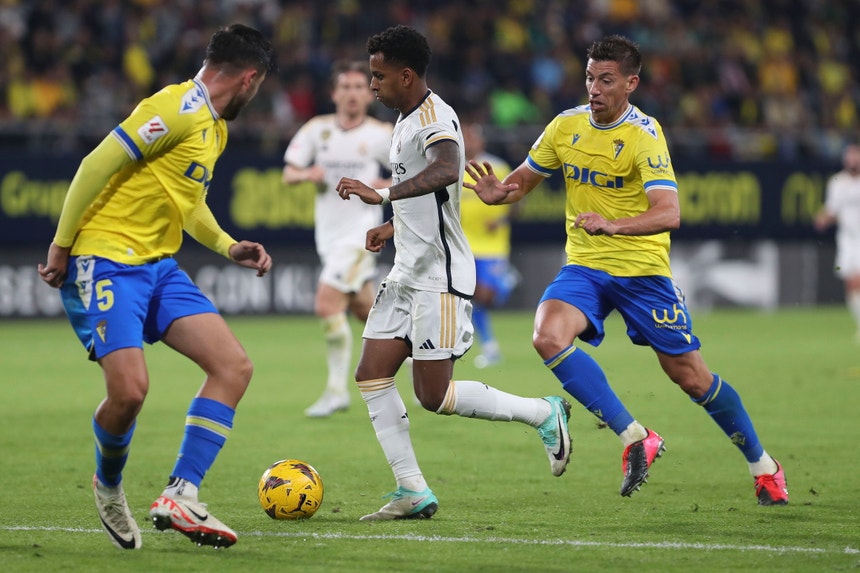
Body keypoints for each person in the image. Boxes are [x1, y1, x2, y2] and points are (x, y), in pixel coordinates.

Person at [465, 35, 789, 506]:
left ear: (631, 84)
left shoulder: (644, 134)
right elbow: (522, 181)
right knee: (547, 336)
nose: (594, 88)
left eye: (606, 80)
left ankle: (764, 466)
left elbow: (669, 212)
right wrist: (501, 193)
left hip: (643, 273)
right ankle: (635, 435)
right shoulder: (565, 126)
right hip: (586, 265)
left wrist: (613, 225)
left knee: (691, 377)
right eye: (589, 78)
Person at [37, 24, 276, 549]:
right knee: (129, 393)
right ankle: (108, 485)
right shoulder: (174, 108)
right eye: (258, 86)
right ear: (249, 79)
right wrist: (61, 244)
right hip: (105, 259)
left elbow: (188, 205)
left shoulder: (215, 129)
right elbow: (95, 164)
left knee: (233, 367)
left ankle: (181, 494)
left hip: (157, 266)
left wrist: (228, 246)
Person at [335, 24, 572, 521]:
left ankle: (543, 412)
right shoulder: (404, 119)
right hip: (406, 270)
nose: (372, 85)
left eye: (378, 76)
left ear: (406, 75)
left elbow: (446, 169)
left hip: (438, 278)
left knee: (434, 395)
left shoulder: (434, 116)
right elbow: (432, 196)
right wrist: (393, 226)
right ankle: (412, 490)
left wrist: (382, 194)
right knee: (372, 374)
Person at [282, 60, 393, 418]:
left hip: (360, 235)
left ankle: (336, 392)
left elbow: (414, 175)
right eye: (345, 87)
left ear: (370, 95)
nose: (352, 93)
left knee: (326, 304)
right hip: (328, 235)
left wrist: (384, 187)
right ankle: (412, 353)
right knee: (366, 311)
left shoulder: (382, 134)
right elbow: (288, 172)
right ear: (334, 93)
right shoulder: (317, 130)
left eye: (360, 87)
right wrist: (306, 174)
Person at [460, 121, 519, 368]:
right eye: (464, 137)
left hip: (493, 245)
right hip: (464, 243)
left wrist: (501, 220)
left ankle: (507, 280)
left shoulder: (497, 166)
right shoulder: (452, 168)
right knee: (471, 297)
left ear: (481, 141)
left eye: (471, 137)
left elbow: (518, 201)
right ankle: (489, 346)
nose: (468, 142)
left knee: (485, 295)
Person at [814, 143, 860, 343]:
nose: (852, 160)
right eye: (849, 157)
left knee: (857, 280)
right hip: (847, 238)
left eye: (856, 156)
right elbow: (832, 210)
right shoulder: (838, 183)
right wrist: (824, 218)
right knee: (851, 283)